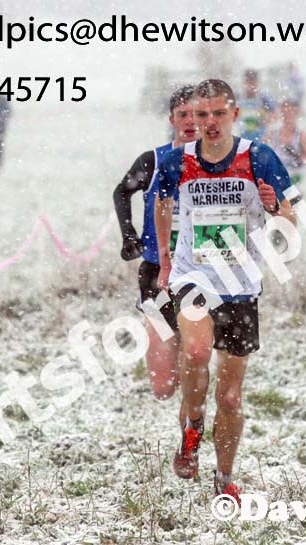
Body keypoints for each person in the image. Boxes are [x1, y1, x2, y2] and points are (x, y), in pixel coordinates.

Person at [154, 79, 296, 504]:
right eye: (201, 115)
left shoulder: (259, 158)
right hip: (193, 277)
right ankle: (193, 425)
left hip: (240, 285)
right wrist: (166, 261)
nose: (210, 122)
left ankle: (225, 477)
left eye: (218, 113)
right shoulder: (177, 162)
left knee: (231, 397)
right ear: (192, 118)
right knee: (197, 352)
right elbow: (161, 205)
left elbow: (290, 222)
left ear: (235, 114)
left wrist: (272, 207)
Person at [112, 85, 198, 410]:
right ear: (172, 119)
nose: (189, 121)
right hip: (156, 274)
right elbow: (121, 191)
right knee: (163, 387)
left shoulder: (219, 164)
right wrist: (129, 235)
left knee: (195, 359)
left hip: (202, 273)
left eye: (195, 114)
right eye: (182, 114)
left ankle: (192, 423)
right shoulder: (153, 161)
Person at [263, 98, 306, 202]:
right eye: (285, 113)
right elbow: (259, 153)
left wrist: (296, 155)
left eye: (291, 113)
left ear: (297, 114)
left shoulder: (302, 135)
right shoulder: (272, 133)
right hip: (278, 177)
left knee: (293, 205)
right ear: (281, 114)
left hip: (295, 178)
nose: (288, 116)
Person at [237, 69, 276, 142]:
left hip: (260, 140)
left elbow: (276, 115)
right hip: (242, 139)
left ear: (258, 83)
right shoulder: (238, 99)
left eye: (253, 82)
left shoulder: (264, 99)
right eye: (248, 82)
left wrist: (265, 121)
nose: (250, 86)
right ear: (244, 83)